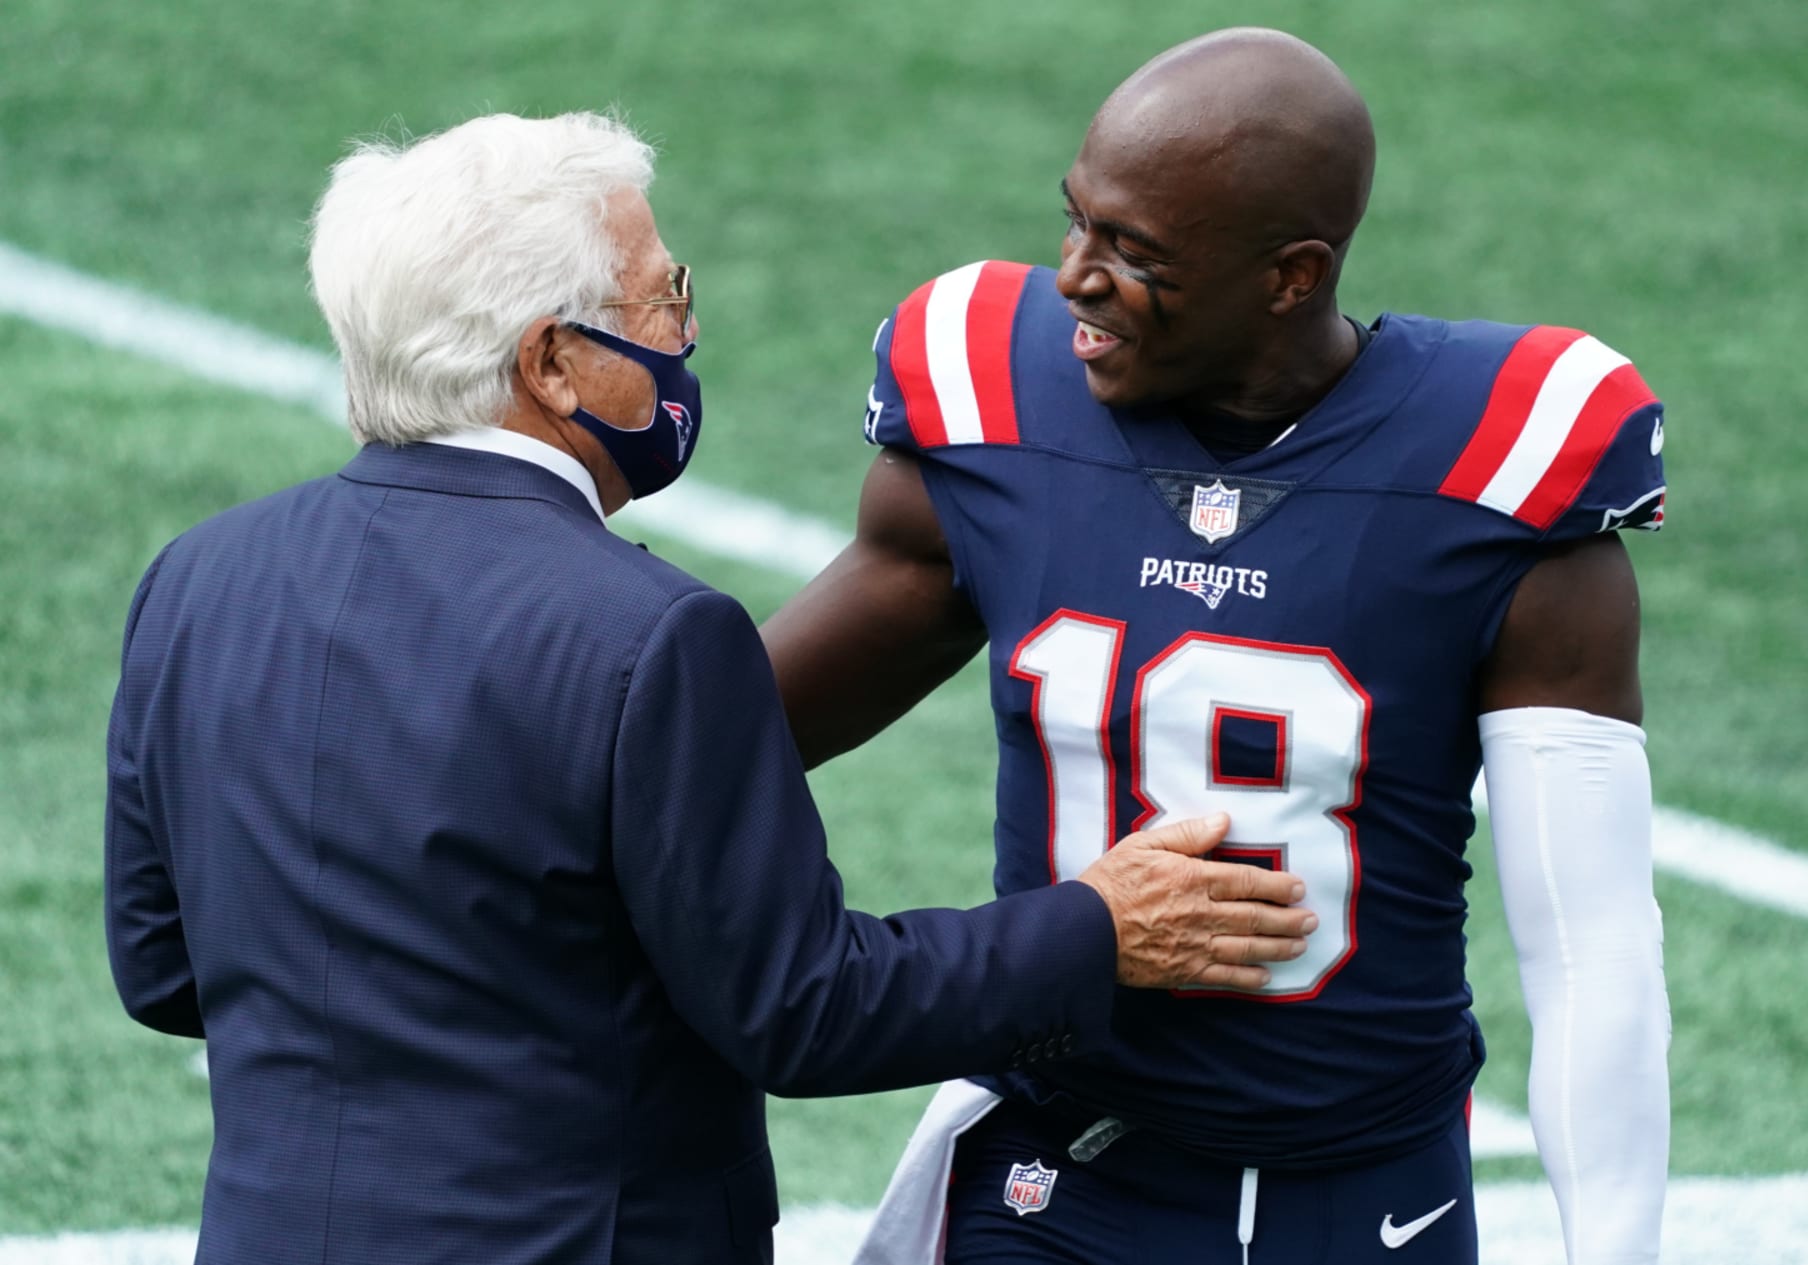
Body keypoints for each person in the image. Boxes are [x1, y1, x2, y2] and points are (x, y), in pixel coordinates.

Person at [103, 111, 1319, 1265]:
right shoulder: (651, 634)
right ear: (553, 362)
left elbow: (163, 968)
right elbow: (804, 1009)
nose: (682, 334)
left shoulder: (198, 577)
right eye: (662, 297)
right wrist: (1098, 926)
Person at [761, 29, 1672, 1265]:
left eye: (1135, 254)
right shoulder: (989, 399)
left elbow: (1590, 950)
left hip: (1360, 1199)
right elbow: (723, 740)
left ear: (1291, 274)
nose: (1075, 276)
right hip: (1056, 1170)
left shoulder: (1503, 463)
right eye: (1075, 221)